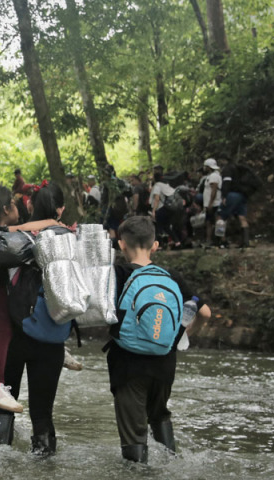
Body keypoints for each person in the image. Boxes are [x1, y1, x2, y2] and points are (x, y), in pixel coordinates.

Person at [106, 216, 211, 463]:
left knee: (134, 437)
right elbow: (205, 312)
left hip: (128, 366)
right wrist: (181, 338)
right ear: (155, 245)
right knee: (160, 415)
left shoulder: (117, 275)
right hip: (164, 364)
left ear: (121, 244)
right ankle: (172, 463)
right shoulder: (171, 277)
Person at [0, 184, 66, 450]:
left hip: (15, 334)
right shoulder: (61, 240)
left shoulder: (11, 241)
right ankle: (45, 469)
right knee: (42, 415)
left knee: (4, 409)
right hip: (50, 338)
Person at [149, 172, 179, 248]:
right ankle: (177, 242)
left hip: (160, 209)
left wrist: (153, 211)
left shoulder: (157, 186)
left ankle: (160, 245)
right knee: (166, 227)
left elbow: (157, 198)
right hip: (167, 209)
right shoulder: (165, 185)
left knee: (158, 227)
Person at [201, 159, 223, 246]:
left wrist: (210, 203)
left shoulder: (214, 176)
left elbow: (214, 190)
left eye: (205, 167)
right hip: (210, 204)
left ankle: (220, 240)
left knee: (217, 222)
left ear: (209, 167)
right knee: (209, 222)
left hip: (215, 203)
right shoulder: (211, 176)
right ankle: (210, 240)